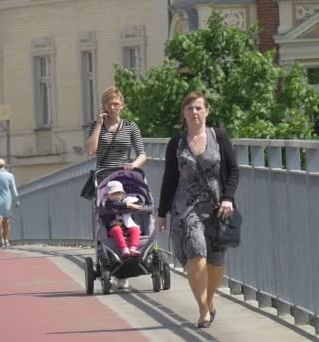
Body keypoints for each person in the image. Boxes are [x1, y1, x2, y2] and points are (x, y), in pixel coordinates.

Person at [157, 91, 240, 328]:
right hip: (186, 208)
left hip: (217, 207)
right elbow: (170, 179)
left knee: (215, 261)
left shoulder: (219, 137)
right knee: (196, 254)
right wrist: (162, 212)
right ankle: (203, 310)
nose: (194, 112)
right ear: (183, 113)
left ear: (207, 111)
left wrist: (228, 198)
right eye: (189, 108)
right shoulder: (177, 143)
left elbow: (234, 171)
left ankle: (209, 302)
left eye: (198, 108)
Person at [85, 86, 146, 288]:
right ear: (103, 106)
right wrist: (99, 125)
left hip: (125, 177)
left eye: (117, 104)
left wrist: (134, 165)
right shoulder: (96, 125)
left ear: (122, 105)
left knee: (128, 214)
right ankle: (108, 262)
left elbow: (142, 153)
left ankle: (126, 265)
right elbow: (90, 151)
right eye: (110, 104)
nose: (113, 108)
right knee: (106, 218)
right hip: (104, 177)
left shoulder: (130, 127)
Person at [98, 180, 143, 257]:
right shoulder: (107, 203)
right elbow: (115, 204)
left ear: (122, 194)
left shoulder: (125, 200)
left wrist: (135, 203)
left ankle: (133, 248)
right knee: (117, 229)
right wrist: (128, 205)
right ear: (108, 195)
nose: (116, 196)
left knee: (135, 229)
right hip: (113, 228)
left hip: (126, 227)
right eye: (113, 194)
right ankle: (124, 249)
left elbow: (138, 202)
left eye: (118, 193)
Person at [0, 158, 19, 248]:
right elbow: (13, 189)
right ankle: (7, 240)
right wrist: (17, 200)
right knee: (7, 220)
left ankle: (1, 240)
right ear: (4, 165)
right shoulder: (10, 175)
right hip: (7, 199)